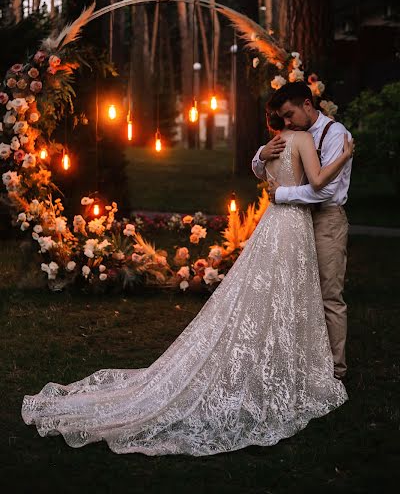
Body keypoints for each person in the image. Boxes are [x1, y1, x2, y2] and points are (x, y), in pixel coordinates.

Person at [22, 108, 353, 457]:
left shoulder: (270, 145)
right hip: (294, 221)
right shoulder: (301, 138)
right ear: (294, 113)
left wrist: (263, 162)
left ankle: (290, 361)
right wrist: (344, 156)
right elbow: (317, 183)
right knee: (290, 292)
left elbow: (263, 171)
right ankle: (298, 366)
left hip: (275, 222)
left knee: (275, 289)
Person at [252, 80, 353, 381]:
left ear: (307, 105)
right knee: (297, 292)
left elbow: (325, 189)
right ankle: (304, 359)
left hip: (325, 220)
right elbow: (263, 167)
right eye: (282, 117)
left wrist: (281, 195)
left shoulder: (335, 134)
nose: (285, 122)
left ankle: (336, 368)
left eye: (289, 114)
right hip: (296, 222)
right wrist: (261, 154)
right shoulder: (295, 135)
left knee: (328, 294)